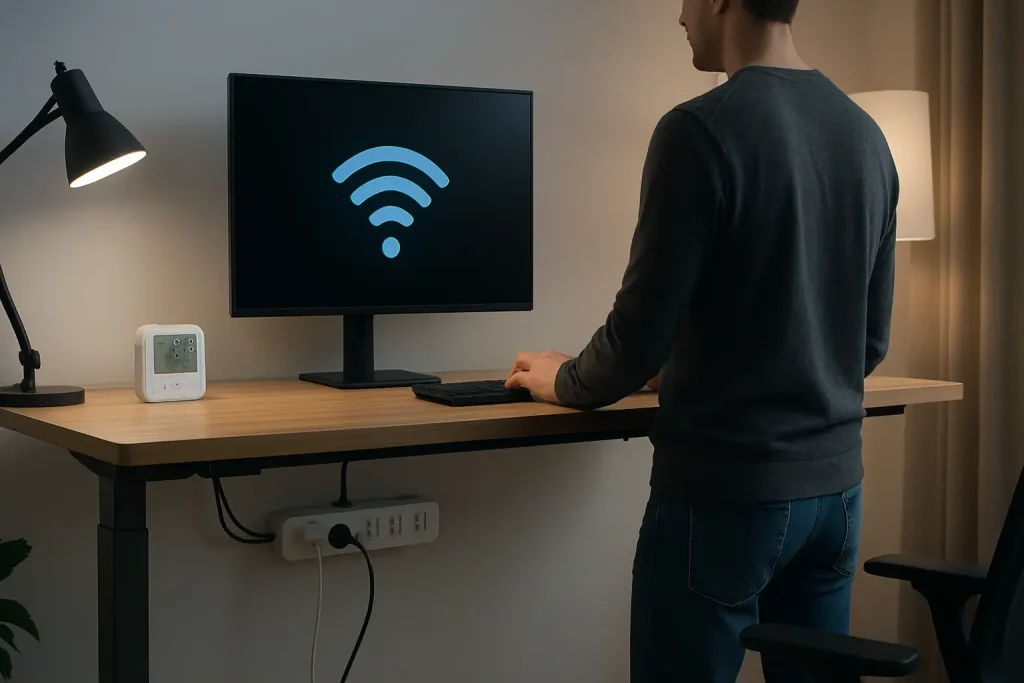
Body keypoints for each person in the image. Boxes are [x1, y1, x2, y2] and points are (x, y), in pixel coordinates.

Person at [505, 0, 899, 681]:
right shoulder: (867, 136)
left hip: (727, 492)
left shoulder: (697, 131)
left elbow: (637, 338)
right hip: (836, 498)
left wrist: (563, 378)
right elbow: (866, 340)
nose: (678, 16)